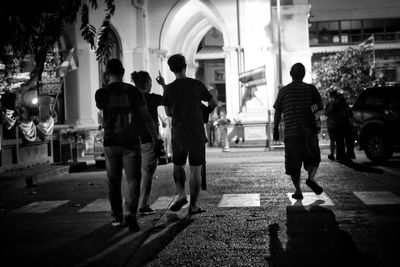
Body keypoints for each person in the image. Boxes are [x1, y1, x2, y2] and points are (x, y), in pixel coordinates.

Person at [95, 59, 161, 231]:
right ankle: (130, 212)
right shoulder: (133, 91)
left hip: (111, 142)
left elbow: (101, 107)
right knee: (133, 178)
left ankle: (117, 217)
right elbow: (146, 117)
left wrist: (105, 83)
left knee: (113, 181)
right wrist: (156, 137)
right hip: (131, 141)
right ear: (123, 71)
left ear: (107, 73)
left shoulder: (101, 93)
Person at [160, 54, 218, 214]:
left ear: (171, 69)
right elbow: (214, 103)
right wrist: (203, 112)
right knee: (196, 169)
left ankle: (180, 194)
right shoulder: (196, 85)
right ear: (185, 66)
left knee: (178, 164)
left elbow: (168, 112)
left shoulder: (169, 89)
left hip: (179, 132)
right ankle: (193, 206)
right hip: (196, 131)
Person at [273, 63, 324, 200]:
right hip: (309, 132)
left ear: (291, 74)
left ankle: (298, 191)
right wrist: (312, 108)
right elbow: (320, 105)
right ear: (303, 74)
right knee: (313, 158)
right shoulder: (310, 89)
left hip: (291, 134)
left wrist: (275, 129)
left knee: (293, 164)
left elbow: (277, 111)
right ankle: (311, 179)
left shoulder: (283, 91)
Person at [131, 70, 164, 215]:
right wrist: (163, 84)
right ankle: (143, 204)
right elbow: (168, 99)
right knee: (146, 174)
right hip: (148, 141)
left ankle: (131, 206)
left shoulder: (129, 98)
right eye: (150, 82)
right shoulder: (151, 98)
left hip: (131, 141)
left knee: (133, 175)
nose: (151, 84)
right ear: (146, 84)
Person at [328, 90, 355, 162]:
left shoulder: (336, 102)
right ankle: (349, 155)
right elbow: (350, 113)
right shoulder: (343, 101)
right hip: (346, 123)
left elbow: (332, 111)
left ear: (332, 96)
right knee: (348, 141)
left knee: (340, 141)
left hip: (340, 124)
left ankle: (341, 156)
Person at [324, 93, 336, 161]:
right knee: (333, 140)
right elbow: (326, 113)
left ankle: (332, 153)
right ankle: (333, 153)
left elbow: (325, 113)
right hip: (333, 124)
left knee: (333, 140)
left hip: (332, 124)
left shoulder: (330, 104)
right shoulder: (330, 104)